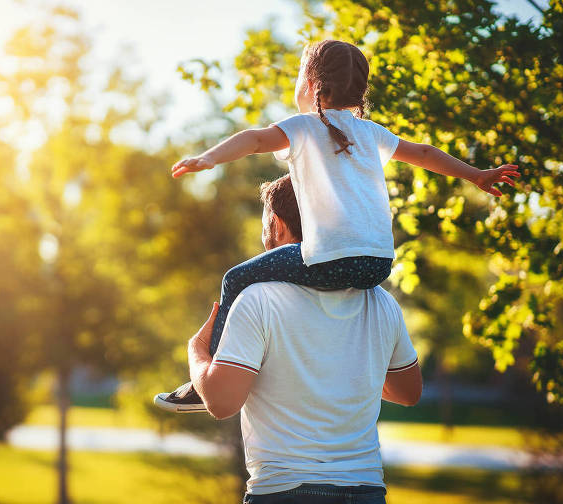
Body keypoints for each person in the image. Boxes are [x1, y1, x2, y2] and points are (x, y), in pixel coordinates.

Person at [154, 40, 518, 412]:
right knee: (297, 268)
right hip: (378, 266)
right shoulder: (371, 132)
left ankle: (210, 376)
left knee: (235, 279)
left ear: (311, 85)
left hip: (330, 260)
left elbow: (255, 139)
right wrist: (476, 175)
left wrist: (208, 158)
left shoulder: (305, 127)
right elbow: (424, 153)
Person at [188, 174, 422, 503]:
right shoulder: (381, 301)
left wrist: (197, 354)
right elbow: (408, 392)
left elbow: (221, 402)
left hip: (287, 491)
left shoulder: (257, 299)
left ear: (278, 225)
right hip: (367, 490)